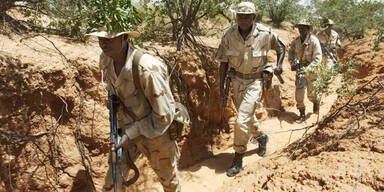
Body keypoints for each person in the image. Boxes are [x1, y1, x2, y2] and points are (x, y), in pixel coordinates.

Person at [86, 29, 183, 192]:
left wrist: (130, 133)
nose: (103, 42)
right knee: (113, 181)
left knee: (169, 182)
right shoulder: (105, 58)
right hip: (125, 129)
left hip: (156, 133)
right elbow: (113, 90)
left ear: (124, 38)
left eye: (109, 38)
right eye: (100, 38)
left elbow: (164, 117)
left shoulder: (148, 69)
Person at [215, 1, 285, 177]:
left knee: (240, 121)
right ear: (236, 17)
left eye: (248, 16)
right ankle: (261, 137)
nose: (244, 19)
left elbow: (281, 48)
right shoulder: (229, 35)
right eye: (240, 16)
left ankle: (238, 158)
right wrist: (222, 86)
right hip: (236, 81)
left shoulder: (265, 34)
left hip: (255, 82)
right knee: (245, 117)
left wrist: (279, 65)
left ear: (254, 17)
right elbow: (223, 62)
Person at [288, 20, 322, 123]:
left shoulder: (314, 41)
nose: (301, 29)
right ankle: (302, 114)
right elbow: (291, 52)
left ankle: (316, 101)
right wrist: (293, 63)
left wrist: (307, 70)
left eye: (303, 27)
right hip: (300, 69)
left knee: (311, 95)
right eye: (299, 27)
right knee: (299, 93)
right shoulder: (296, 41)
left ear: (308, 29)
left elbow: (317, 59)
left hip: (312, 71)